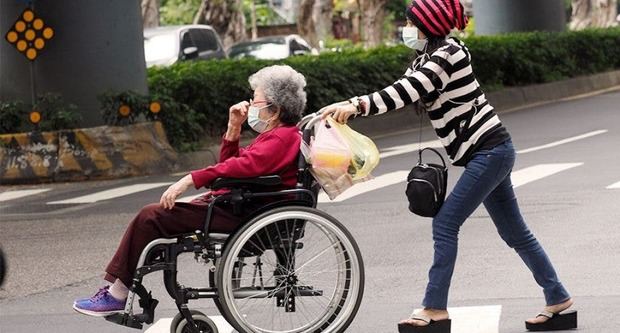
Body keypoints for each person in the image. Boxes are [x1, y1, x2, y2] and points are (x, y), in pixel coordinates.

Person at [321, 0, 574, 331]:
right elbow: (402, 92)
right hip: (486, 153)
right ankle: (558, 297)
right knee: (514, 232)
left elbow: (408, 90)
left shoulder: (449, 54)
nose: (406, 28)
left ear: (427, 24)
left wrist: (356, 105)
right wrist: (350, 106)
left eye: (411, 22)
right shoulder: (426, 58)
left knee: (445, 224)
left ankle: (435, 308)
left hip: (491, 151)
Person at [73, 65, 306, 317]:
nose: (250, 105)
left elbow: (241, 166)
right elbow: (230, 166)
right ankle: (123, 286)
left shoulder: (282, 138)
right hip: (239, 205)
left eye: (255, 100)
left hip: (243, 213)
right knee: (155, 218)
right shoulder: (276, 136)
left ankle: (117, 294)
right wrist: (233, 128)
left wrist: (190, 179)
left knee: (150, 217)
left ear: (275, 109)